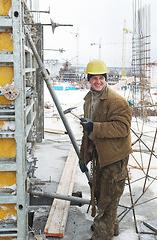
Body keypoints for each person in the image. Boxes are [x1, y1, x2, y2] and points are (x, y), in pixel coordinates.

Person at [79, 59, 132, 240]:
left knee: (108, 199)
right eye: (94, 78)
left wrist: (95, 127)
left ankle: (103, 235)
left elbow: (122, 128)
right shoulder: (89, 99)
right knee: (102, 193)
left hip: (115, 157)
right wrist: (83, 156)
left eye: (101, 78)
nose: (98, 82)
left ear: (106, 78)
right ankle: (111, 228)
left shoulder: (117, 101)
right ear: (89, 79)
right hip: (99, 155)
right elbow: (88, 133)